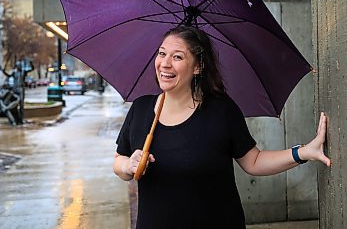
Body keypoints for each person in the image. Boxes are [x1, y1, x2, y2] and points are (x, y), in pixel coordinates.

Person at [113, 26, 331, 229]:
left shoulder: (221, 111)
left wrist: (303, 152)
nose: (165, 63)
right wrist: (128, 165)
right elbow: (119, 161)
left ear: (197, 67)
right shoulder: (141, 109)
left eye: (177, 56)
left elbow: (254, 161)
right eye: (162, 54)